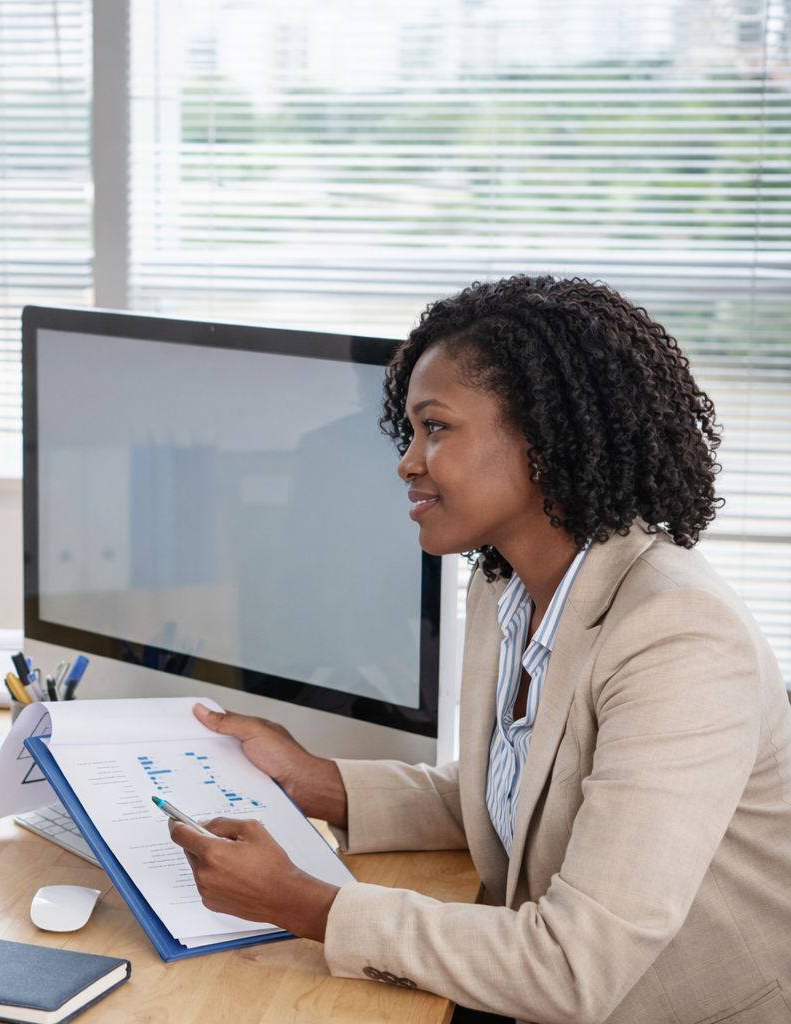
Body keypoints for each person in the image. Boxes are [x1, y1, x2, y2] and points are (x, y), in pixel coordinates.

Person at [169, 276, 791, 1023]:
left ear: (544, 435)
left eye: (437, 428)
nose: (407, 461)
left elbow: (572, 968)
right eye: (410, 433)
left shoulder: (680, 636)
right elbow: (520, 797)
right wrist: (314, 780)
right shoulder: (506, 585)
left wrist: (308, 904)